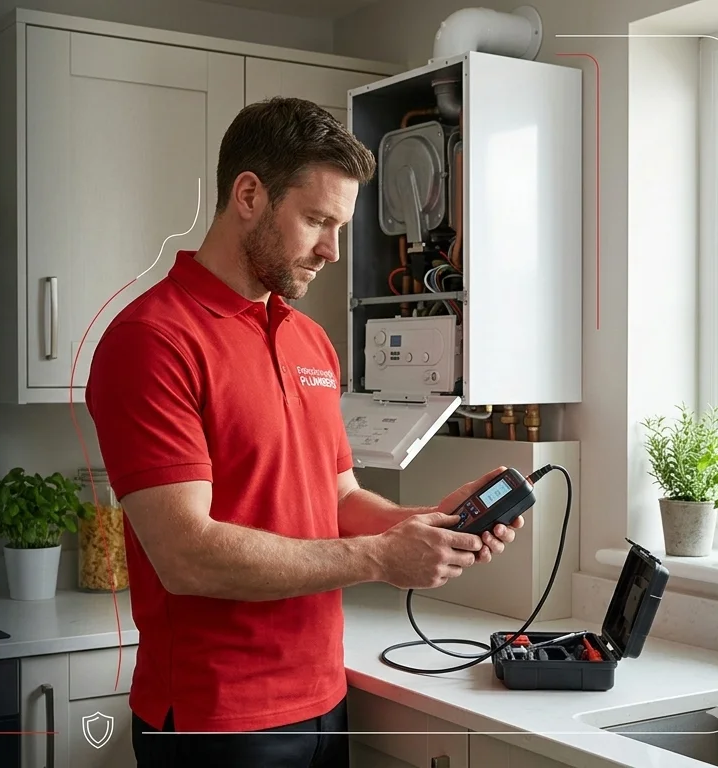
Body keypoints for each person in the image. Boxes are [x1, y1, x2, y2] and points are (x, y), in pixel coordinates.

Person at [83, 96, 524, 767]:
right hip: (216, 719)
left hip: (323, 695)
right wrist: (382, 559)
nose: (332, 250)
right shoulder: (152, 340)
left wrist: (427, 523)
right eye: (317, 219)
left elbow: (338, 499)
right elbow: (185, 554)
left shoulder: (310, 340)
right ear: (250, 195)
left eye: (339, 226)